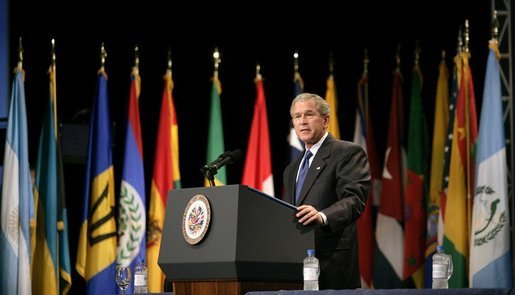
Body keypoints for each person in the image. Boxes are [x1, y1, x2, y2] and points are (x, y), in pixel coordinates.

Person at [282, 93, 370, 289]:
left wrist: (322, 216)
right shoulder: (291, 170)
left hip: (332, 265)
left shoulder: (347, 153)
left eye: (309, 114)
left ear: (326, 120)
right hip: (296, 267)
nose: (302, 122)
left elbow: (355, 200)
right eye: (297, 116)